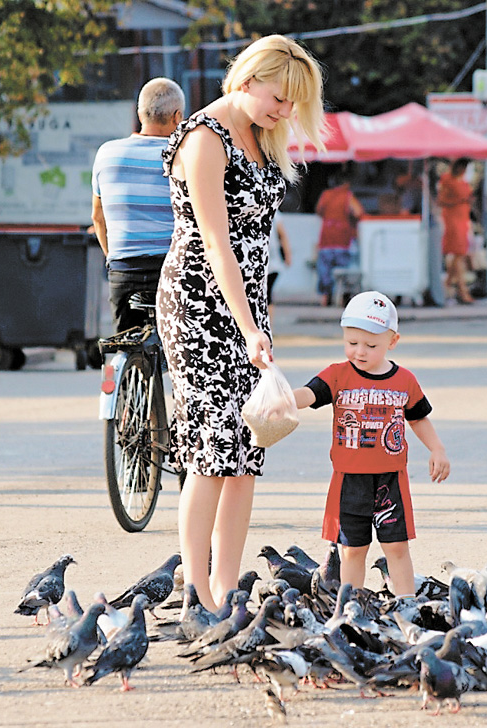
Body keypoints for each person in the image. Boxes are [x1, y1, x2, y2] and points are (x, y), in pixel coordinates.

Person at [156, 35, 325, 613]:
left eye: (291, 105)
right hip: (198, 303)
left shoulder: (258, 134)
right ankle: (195, 595)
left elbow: (256, 251)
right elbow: (218, 246)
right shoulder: (205, 138)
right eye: (279, 99)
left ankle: (228, 591)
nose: (284, 112)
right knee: (211, 452)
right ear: (248, 80)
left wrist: (260, 321)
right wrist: (251, 327)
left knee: (248, 449)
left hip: (244, 304)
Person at [291, 291, 450, 595]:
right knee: (352, 550)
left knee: (397, 547)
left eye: (371, 345)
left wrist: (437, 449)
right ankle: (350, 607)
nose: (360, 352)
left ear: (393, 341)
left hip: (391, 479)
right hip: (349, 480)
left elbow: (417, 418)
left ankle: (407, 603)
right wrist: (280, 399)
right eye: (352, 343)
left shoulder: (404, 380)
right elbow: (309, 394)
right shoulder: (337, 375)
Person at [91, 77, 185, 332]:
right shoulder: (183, 155)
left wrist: (114, 258)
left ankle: (120, 369)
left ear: (140, 112)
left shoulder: (106, 153)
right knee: (182, 351)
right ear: (177, 117)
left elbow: (98, 218)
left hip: (123, 269)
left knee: (124, 341)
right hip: (170, 269)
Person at [314, 173, 364, 306]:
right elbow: (358, 212)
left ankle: (326, 297)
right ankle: (344, 297)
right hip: (343, 239)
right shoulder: (347, 196)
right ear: (345, 184)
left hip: (326, 239)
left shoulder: (326, 195)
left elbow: (319, 210)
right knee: (344, 271)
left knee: (325, 271)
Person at [436, 157, 475, 304]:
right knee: (458, 254)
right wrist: (458, 202)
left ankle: (447, 286)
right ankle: (462, 290)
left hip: (463, 218)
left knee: (460, 254)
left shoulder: (463, 181)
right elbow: (441, 201)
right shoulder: (447, 180)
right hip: (452, 219)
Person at [267, 210, 292, 324]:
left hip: (272, 262)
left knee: (267, 294)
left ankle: (269, 324)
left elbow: (282, 235)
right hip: (268, 262)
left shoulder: (275, 214)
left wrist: (287, 255)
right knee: (266, 295)